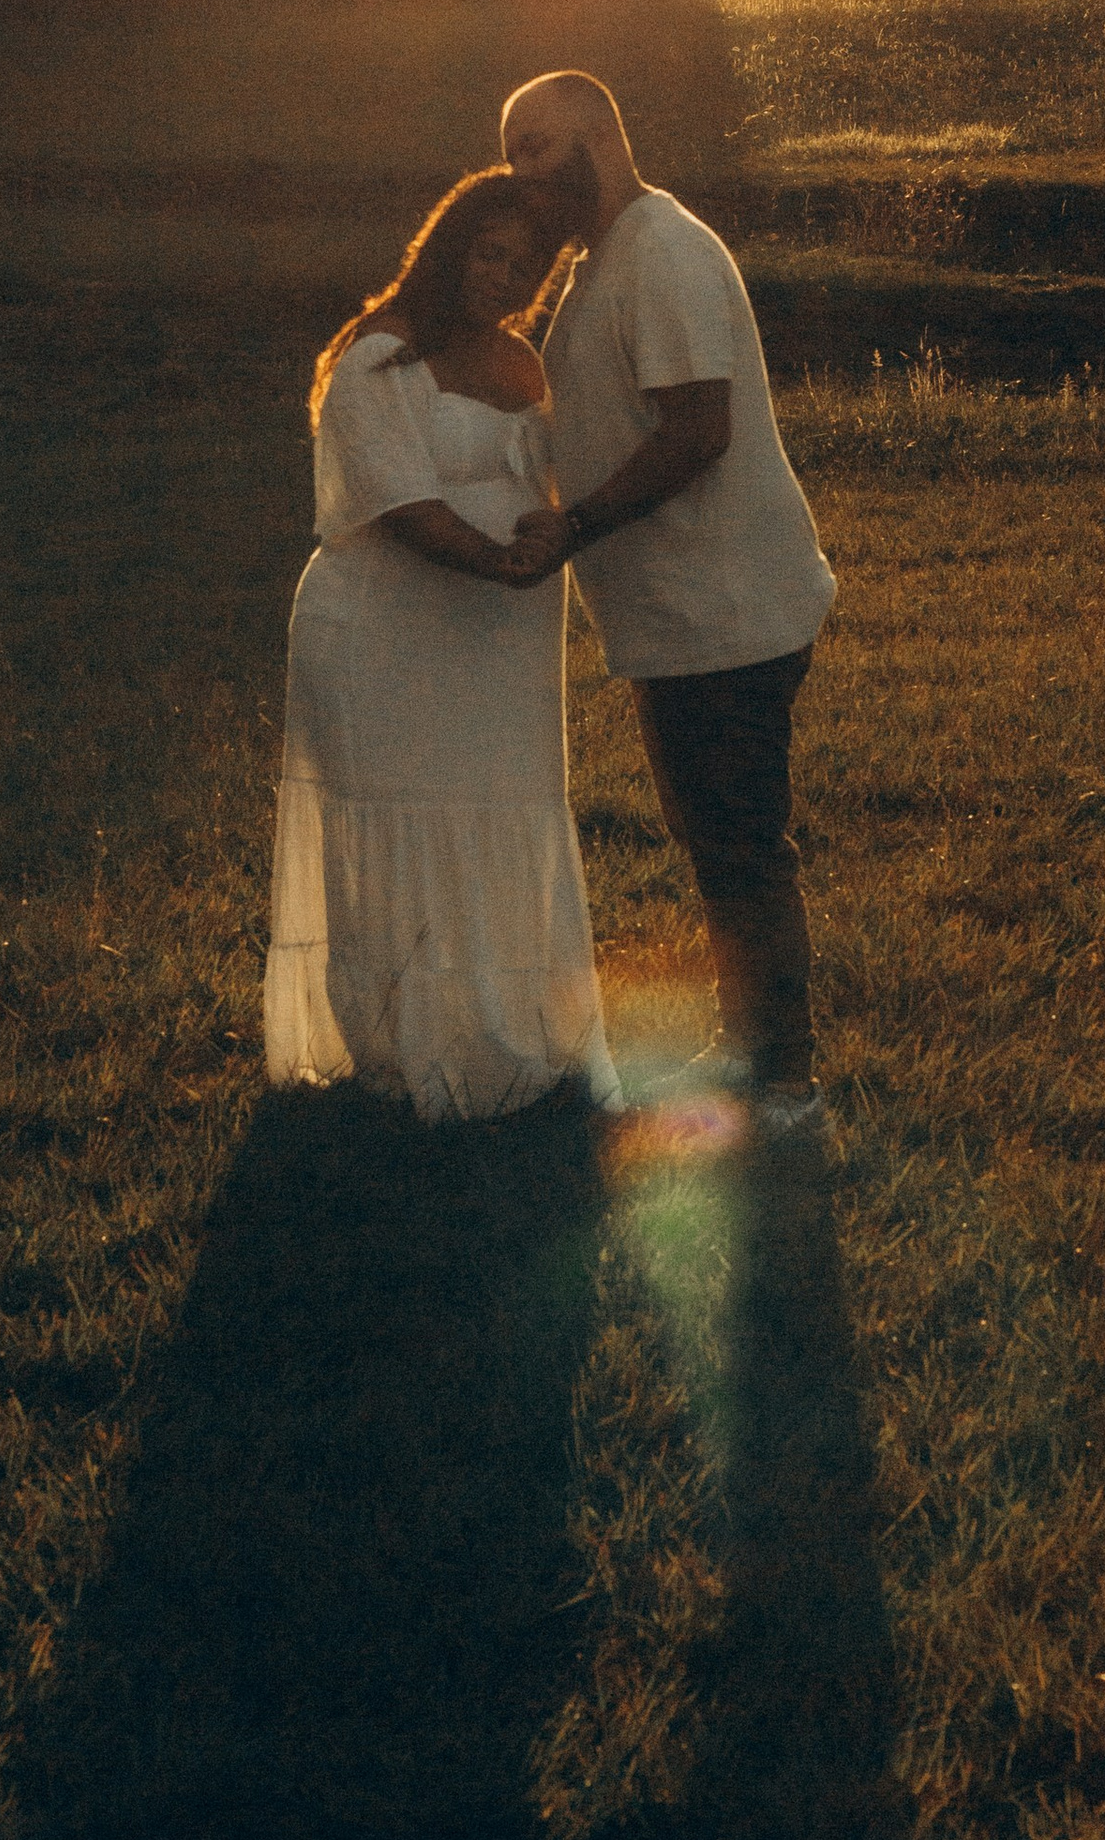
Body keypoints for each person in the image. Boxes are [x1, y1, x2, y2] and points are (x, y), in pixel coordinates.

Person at [502, 69, 837, 1135]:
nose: (526, 175)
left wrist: (579, 526)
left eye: (542, 147)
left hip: (725, 613)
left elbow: (698, 430)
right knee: (715, 840)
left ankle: (785, 1084)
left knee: (739, 844)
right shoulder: (606, 259)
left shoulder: (666, 252)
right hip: (679, 618)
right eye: (512, 154)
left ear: (605, 132)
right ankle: (753, 1047)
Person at [265, 167, 617, 1120]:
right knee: (401, 815)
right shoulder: (379, 352)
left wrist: (559, 536)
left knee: (505, 806)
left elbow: (559, 485)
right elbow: (401, 504)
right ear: (446, 246)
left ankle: (509, 1026)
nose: (504, 275)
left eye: (526, 263)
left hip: (501, 641)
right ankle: (404, 1037)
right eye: (488, 252)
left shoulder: (525, 366)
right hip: (388, 629)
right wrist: (500, 565)